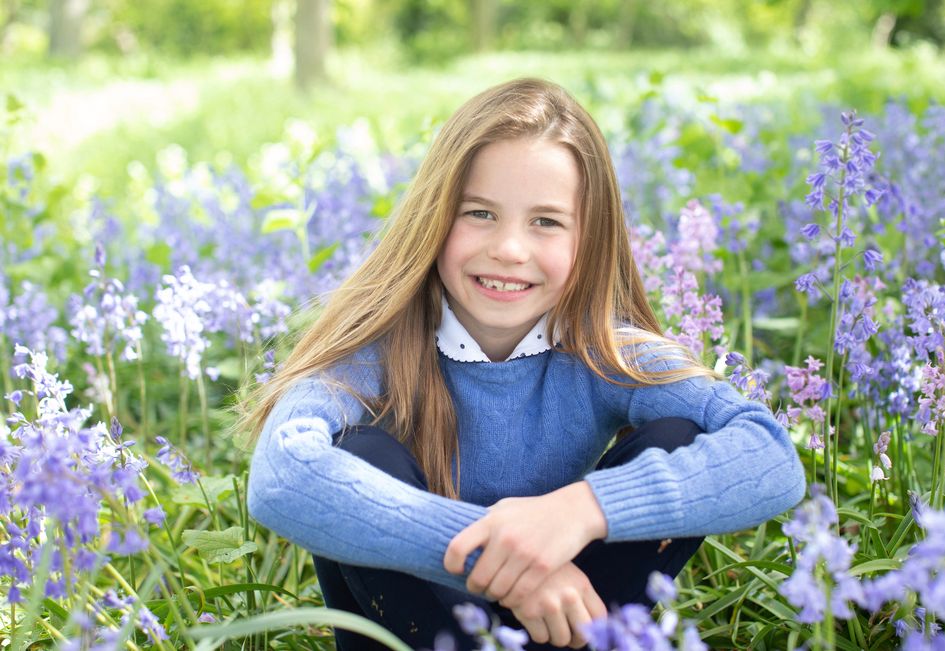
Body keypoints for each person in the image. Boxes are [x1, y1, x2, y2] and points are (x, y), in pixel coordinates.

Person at [244, 78, 806, 650]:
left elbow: (771, 456)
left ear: (588, 240)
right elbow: (280, 477)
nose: (510, 248)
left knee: (681, 435)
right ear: (434, 219)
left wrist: (578, 512)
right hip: (420, 631)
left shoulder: (605, 351)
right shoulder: (377, 352)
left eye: (546, 221)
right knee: (361, 454)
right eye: (481, 213)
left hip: (562, 630)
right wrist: (498, 559)